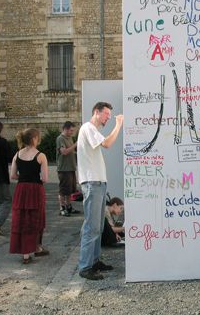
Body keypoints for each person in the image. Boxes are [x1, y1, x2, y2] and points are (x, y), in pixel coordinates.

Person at [77, 102, 123, 280]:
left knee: (99, 226)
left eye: (110, 116)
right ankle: (86, 266)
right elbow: (108, 144)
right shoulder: (88, 128)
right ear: (96, 112)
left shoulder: (91, 130)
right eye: (106, 114)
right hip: (92, 183)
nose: (108, 118)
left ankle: (94, 261)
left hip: (98, 183)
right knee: (92, 226)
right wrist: (118, 125)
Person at [9, 128, 49, 264]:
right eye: (38, 138)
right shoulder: (41, 156)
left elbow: (13, 176)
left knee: (21, 219)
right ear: (34, 139)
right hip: (35, 189)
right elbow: (44, 178)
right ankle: (36, 247)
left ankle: (26, 254)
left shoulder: (17, 155)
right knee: (35, 218)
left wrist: (24, 177)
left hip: (21, 189)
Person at [56, 121, 80, 217]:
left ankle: (69, 206)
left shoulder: (70, 138)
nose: (72, 133)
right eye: (71, 130)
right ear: (65, 129)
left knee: (70, 190)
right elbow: (64, 152)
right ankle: (62, 208)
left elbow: (71, 151)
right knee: (63, 190)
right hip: (64, 169)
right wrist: (75, 145)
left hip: (71, 168)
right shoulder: (60, 139)